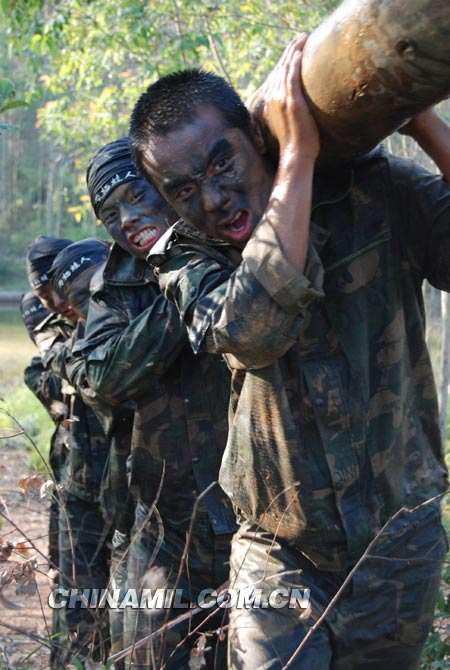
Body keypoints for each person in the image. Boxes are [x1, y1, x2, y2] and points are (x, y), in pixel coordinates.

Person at [129, 35, 450, 669]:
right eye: (184, 189)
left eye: (222, 164)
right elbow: (251, 331)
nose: (213, 198)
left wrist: (423, 121)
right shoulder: (186, 256)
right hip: (277, 549)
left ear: (254, 132)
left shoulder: (373, 188)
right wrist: (298, 156)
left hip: (397, 536)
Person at [80, 138, 237, 669]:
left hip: (252, 514)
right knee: (144, 657)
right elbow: (103, 378)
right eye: (109, 212)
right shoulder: (115, 284)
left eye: (134, 194)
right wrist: (183, 290)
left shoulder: (233, 232)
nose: (126, 219)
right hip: (160, 522)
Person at [50, 237, 135, 670]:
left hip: (143, 508)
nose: (95, 302)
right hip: (88, 498)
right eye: (79, 299)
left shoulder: (142, 322)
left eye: (99, 288)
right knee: (82, 615)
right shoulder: (78, 345)